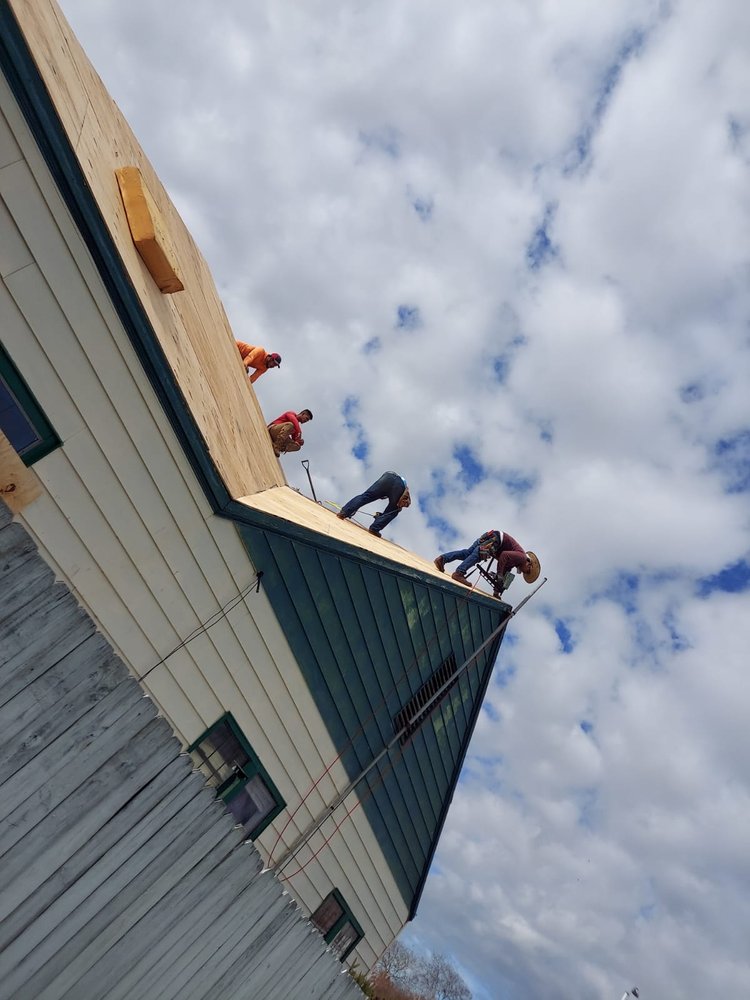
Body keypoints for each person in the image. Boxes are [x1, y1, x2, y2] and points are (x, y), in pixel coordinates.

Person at [434, 530, 540, 590]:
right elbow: (504, 556)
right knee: (479, 554)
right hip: (496, 539)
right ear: (529, 564)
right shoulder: (522, 557)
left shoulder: (514, 561)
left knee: (468, 554)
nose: (524, 571)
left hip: (491, 536)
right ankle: (459, 573)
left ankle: (442, 559)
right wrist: (499, 575)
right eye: (527, 571)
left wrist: (497, 590)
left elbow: (504, 571)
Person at [337, 471, 411, 537]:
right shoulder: (404, 488)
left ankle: (344, 512)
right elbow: (396, 505)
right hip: (399, 485)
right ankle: (374, 528)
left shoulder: (389, 486)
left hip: (387, 476)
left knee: (366, 496)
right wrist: (381, 518)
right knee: (393, 509)